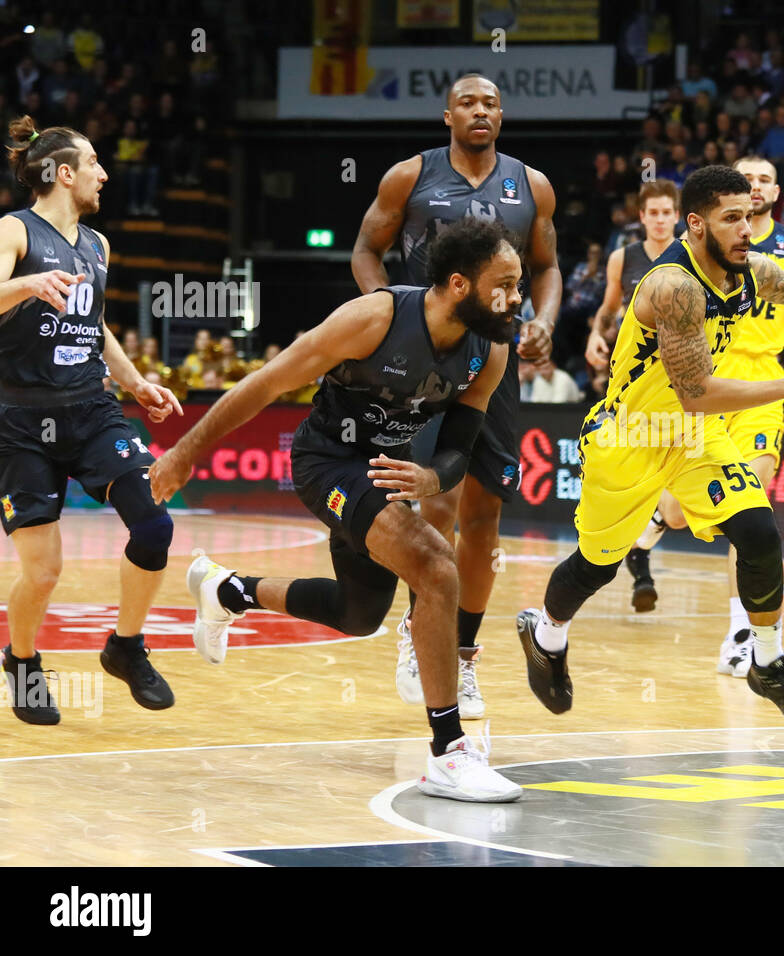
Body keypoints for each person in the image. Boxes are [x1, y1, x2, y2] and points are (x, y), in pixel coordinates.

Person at [515, 165, 784, 727]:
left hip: (695, 437)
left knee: (759, 530)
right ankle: (546, 635)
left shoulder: (744, 267)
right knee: (597, 565)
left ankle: (767, 660)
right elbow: (697, 393)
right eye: (732, 218)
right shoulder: (674, 286)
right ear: (695, 224)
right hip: (634, 435)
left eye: (749, 215)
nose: (748, 229)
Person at [151, 218, 522, 802]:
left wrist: (429, 475)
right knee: (436, 565)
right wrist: (183, 452)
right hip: (326, 460)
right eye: (505, 284)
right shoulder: (374, 319)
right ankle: (449, 751)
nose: (516, 298)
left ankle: (228, 591)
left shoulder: (491, 351)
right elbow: (266, 384)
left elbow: (458, 448)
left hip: (384, 469)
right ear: (458, 284)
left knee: (358, 614)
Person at [350, 74, 561, 717]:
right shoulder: (408, 177)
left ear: (502, 116)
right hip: (425, 360)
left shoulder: (533, 186)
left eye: (490, 104)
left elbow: (548, 266)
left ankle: (462, 654)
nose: (480, 112)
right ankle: (420, 634)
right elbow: (366, 250)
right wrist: (385, 316)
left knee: (484, 516)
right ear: (447, 115)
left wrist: (545, 321)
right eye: (468, 103)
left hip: (494, 359)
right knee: (432, 501)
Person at [0, 117, 183, 724]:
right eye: (95, 163)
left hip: (92, 409)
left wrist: (135, 383)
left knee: (154, 527)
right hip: (18, 420)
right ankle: (22, 660)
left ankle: (126, 648)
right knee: (45, 571)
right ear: (63, 173)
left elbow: (94, 324)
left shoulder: (98, 245)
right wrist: (25, 283)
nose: (105, 174)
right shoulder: (14, 231)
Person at [626, 156, 784, 671]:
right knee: (678, 513)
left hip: (763, 385)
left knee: (750, 506)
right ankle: (645, 539)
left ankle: (742, 636)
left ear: (775, 193)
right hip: (707, 383)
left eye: (764, 179)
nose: (754, 185)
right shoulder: (702, 253)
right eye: (747, 177)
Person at [585, 180, 680, 370]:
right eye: (653, 213)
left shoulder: (691, 255)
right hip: (634, 356)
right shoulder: (621, 258)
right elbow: (610, 307)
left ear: (676, 216)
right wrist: (595, 334)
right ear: (642, 216)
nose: (660, 220)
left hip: (680, 356)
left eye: (666, 212)